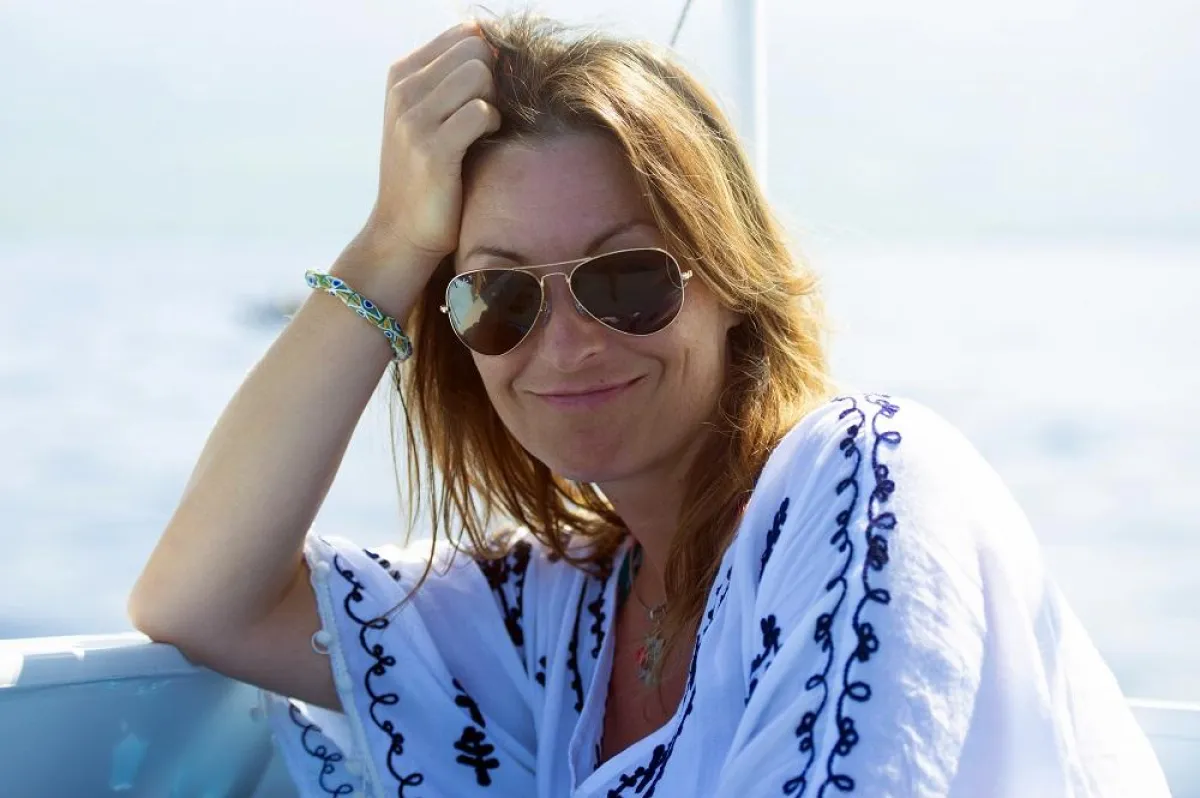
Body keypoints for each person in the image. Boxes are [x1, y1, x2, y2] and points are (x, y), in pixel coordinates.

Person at [128, 13, 1171, 798]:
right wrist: (390, 243)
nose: (565, 342)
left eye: (627, 278)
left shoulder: (865, 479)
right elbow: (201, 599)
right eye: (501, 296)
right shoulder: (562, 617)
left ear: (731, 282)